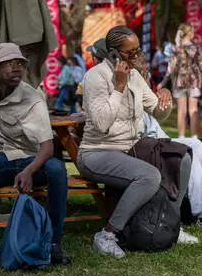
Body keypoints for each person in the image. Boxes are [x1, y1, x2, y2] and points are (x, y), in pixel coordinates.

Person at [77, 26, 185, 259]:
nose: (136, 57)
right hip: (96, 153)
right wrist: (118, 86)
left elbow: (157, 112)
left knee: (180, 158)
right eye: (130, 53)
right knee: (149, 176)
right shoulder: (94, 77)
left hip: (131, 149)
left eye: (138, 51)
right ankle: (107, 234)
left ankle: (169, 222)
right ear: (113, 53)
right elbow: (102, 123)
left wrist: (165, 98)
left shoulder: (135, 76)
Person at [0, 42, 71, 266]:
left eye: (19, 64)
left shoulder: (33, 99)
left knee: (57, 170)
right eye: (9, 64)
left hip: (33, 157)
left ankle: (54, 243)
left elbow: (47, 147)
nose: (17, 68)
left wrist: (29, 171)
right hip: (3, 155)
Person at [137, 66, 202, 241]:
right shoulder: (124, 88)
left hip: (159, 141)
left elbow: (160, 117)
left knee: (195, 144)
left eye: (147, 71)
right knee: (185, 151)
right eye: (143, 71)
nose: (147, 74)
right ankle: (190, 218)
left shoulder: (144, 92)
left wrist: (164, 93)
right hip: (145, 148)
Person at [158, 23, 202, 139]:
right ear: (190, 33)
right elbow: (201, 65)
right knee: (193, 110)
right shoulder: (195, 48)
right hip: (193, 82)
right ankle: (194, 137)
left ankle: (181, 137)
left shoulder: (175, 49)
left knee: (181, 111)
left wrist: (163, 82)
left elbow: (170, 69)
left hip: (179, 83)